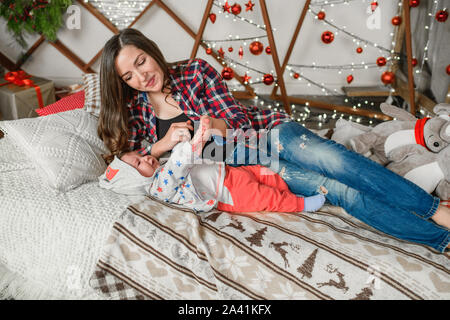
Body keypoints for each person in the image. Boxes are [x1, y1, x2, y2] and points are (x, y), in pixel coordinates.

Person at [98, 28, 450, 253]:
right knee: (339, 191)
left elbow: (237, 119)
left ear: (151, 50)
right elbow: (132, 163)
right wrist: (163, 147)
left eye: (142, 62)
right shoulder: (138, 111)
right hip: (249, 170)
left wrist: (211, 126)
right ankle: (441, 238)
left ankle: (435, 211)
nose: (142, 76)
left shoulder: (194, 71)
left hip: (266, 136)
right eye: (129, 75)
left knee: (339, 162)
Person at [99, 116, 326, 213]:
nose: (147, 157)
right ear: (136, 182)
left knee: (267, 175)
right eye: (139, 163)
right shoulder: (159, 188)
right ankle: (299, 205)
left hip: (228, 172)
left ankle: (288, 189)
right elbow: (179, 164)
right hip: (228, 192)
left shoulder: (159, 169)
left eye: (140, 155)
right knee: (265, 197)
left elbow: (183, 162)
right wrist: (196, 140)